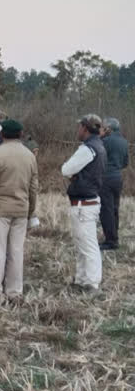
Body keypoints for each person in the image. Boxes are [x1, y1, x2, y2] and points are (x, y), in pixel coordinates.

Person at [0, 120, 38, 301]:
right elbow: (33, 188)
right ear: (21, 134)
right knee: (16, 251)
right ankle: (15, 292)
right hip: (21, 209)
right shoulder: (30, 156)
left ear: (2, 134)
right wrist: (30, 211)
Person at [61, 115, 105, 291]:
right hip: (88, 202)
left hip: (83, 204)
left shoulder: (88, 149)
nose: (77, 130)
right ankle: (81, 280)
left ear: (85, 128)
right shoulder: (99, 146)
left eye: (79, 127)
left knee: (87, 245)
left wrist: (74, 174)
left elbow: (66, 169)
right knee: (82, 245)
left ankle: (92, 283)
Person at [99, 117, 129, 250]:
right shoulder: (124, 142)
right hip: (118, 177)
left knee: (106, 210)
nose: (102, 129)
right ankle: (114, 237)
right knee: (115, 209)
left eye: (104, 127)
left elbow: (98, 160)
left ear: (109, 129)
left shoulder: (104, 141)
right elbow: (125, 163)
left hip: (106, 178)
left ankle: (110, 241)